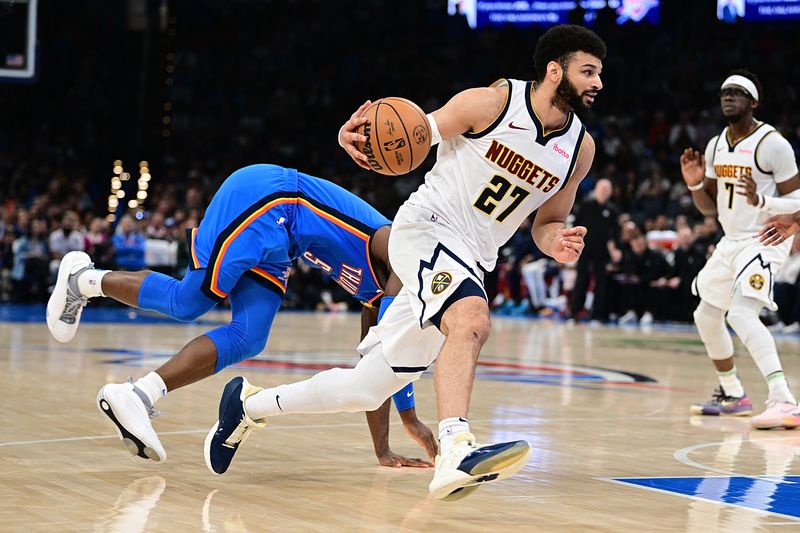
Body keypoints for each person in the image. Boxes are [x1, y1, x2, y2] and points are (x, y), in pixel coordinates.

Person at [204, 25, 604, 500]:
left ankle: (248, 405)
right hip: (426, 229)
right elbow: (412, 133)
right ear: (554, 71)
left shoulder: (580, 150)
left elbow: (547, 221)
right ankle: (457, 447)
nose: (598, 82)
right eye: (588, 71)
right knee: (472, 319)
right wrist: (357, 136)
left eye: (599, 72)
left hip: (473, 258)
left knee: (365, 389)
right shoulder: (491, 104)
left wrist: (557, 240)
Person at [46, 164, 436, 467]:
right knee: (191, 301)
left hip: (283, 242)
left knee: (250, 335)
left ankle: (139, 393)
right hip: (270, 198)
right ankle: (85, 279)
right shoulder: (399, 250)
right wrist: (408, 415)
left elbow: (379, 365)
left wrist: (385, 447)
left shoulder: (382, 299)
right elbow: (393, 344)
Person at [679, 69, 800, 428]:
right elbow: (709, 209)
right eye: (724, 93)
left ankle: (785, 401)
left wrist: (765, 202)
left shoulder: (772, 144)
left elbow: (797, 199)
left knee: (741, 314)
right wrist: (696, 183)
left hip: (765, 238)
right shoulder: (716, 144)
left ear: (753, 102)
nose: (728, 97)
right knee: (706, 315)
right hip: (731, 241)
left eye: (736, 92)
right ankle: (733, 393)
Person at [569, 178, 620, 323]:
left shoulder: (612, 210)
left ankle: (597, 315)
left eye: (607, 189)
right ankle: (574, 313)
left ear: (610, 192)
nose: (605, 192)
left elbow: (615, 233)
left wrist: (616, 249)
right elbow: (576, 225)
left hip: (602, 252)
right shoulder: (586, 205)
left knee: (600, 283)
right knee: (581, 280)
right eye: (602, 189)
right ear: (596, 189)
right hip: (584, 249)